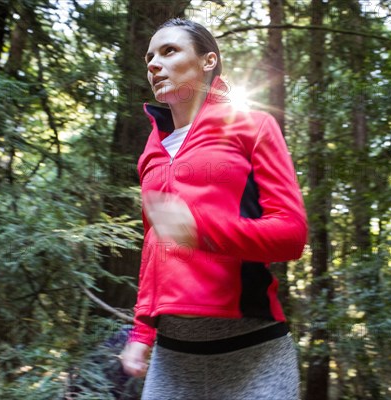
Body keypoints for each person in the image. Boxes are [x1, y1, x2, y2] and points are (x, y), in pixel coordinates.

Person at [119, 18, 307, 399]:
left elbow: (291, 235)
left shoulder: (252, 126)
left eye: (169, 51)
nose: (154, 64)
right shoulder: (151, 152)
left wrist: (201, 230)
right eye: (150, 56)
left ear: (208, 61)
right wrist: (142, 330)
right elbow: (153, 246)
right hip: (172, 357)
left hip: (253, 349)